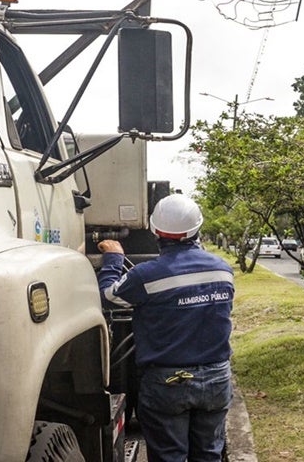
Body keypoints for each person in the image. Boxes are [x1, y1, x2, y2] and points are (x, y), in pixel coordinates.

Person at [98, 195, 235, 462]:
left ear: (155, 230)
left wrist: (114, 259)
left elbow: (108, 296)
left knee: (169, 457)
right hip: (217, 378)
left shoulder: (146, 275)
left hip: (169, 382)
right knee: (209, 454)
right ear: (197, 228)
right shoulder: (223, 269)